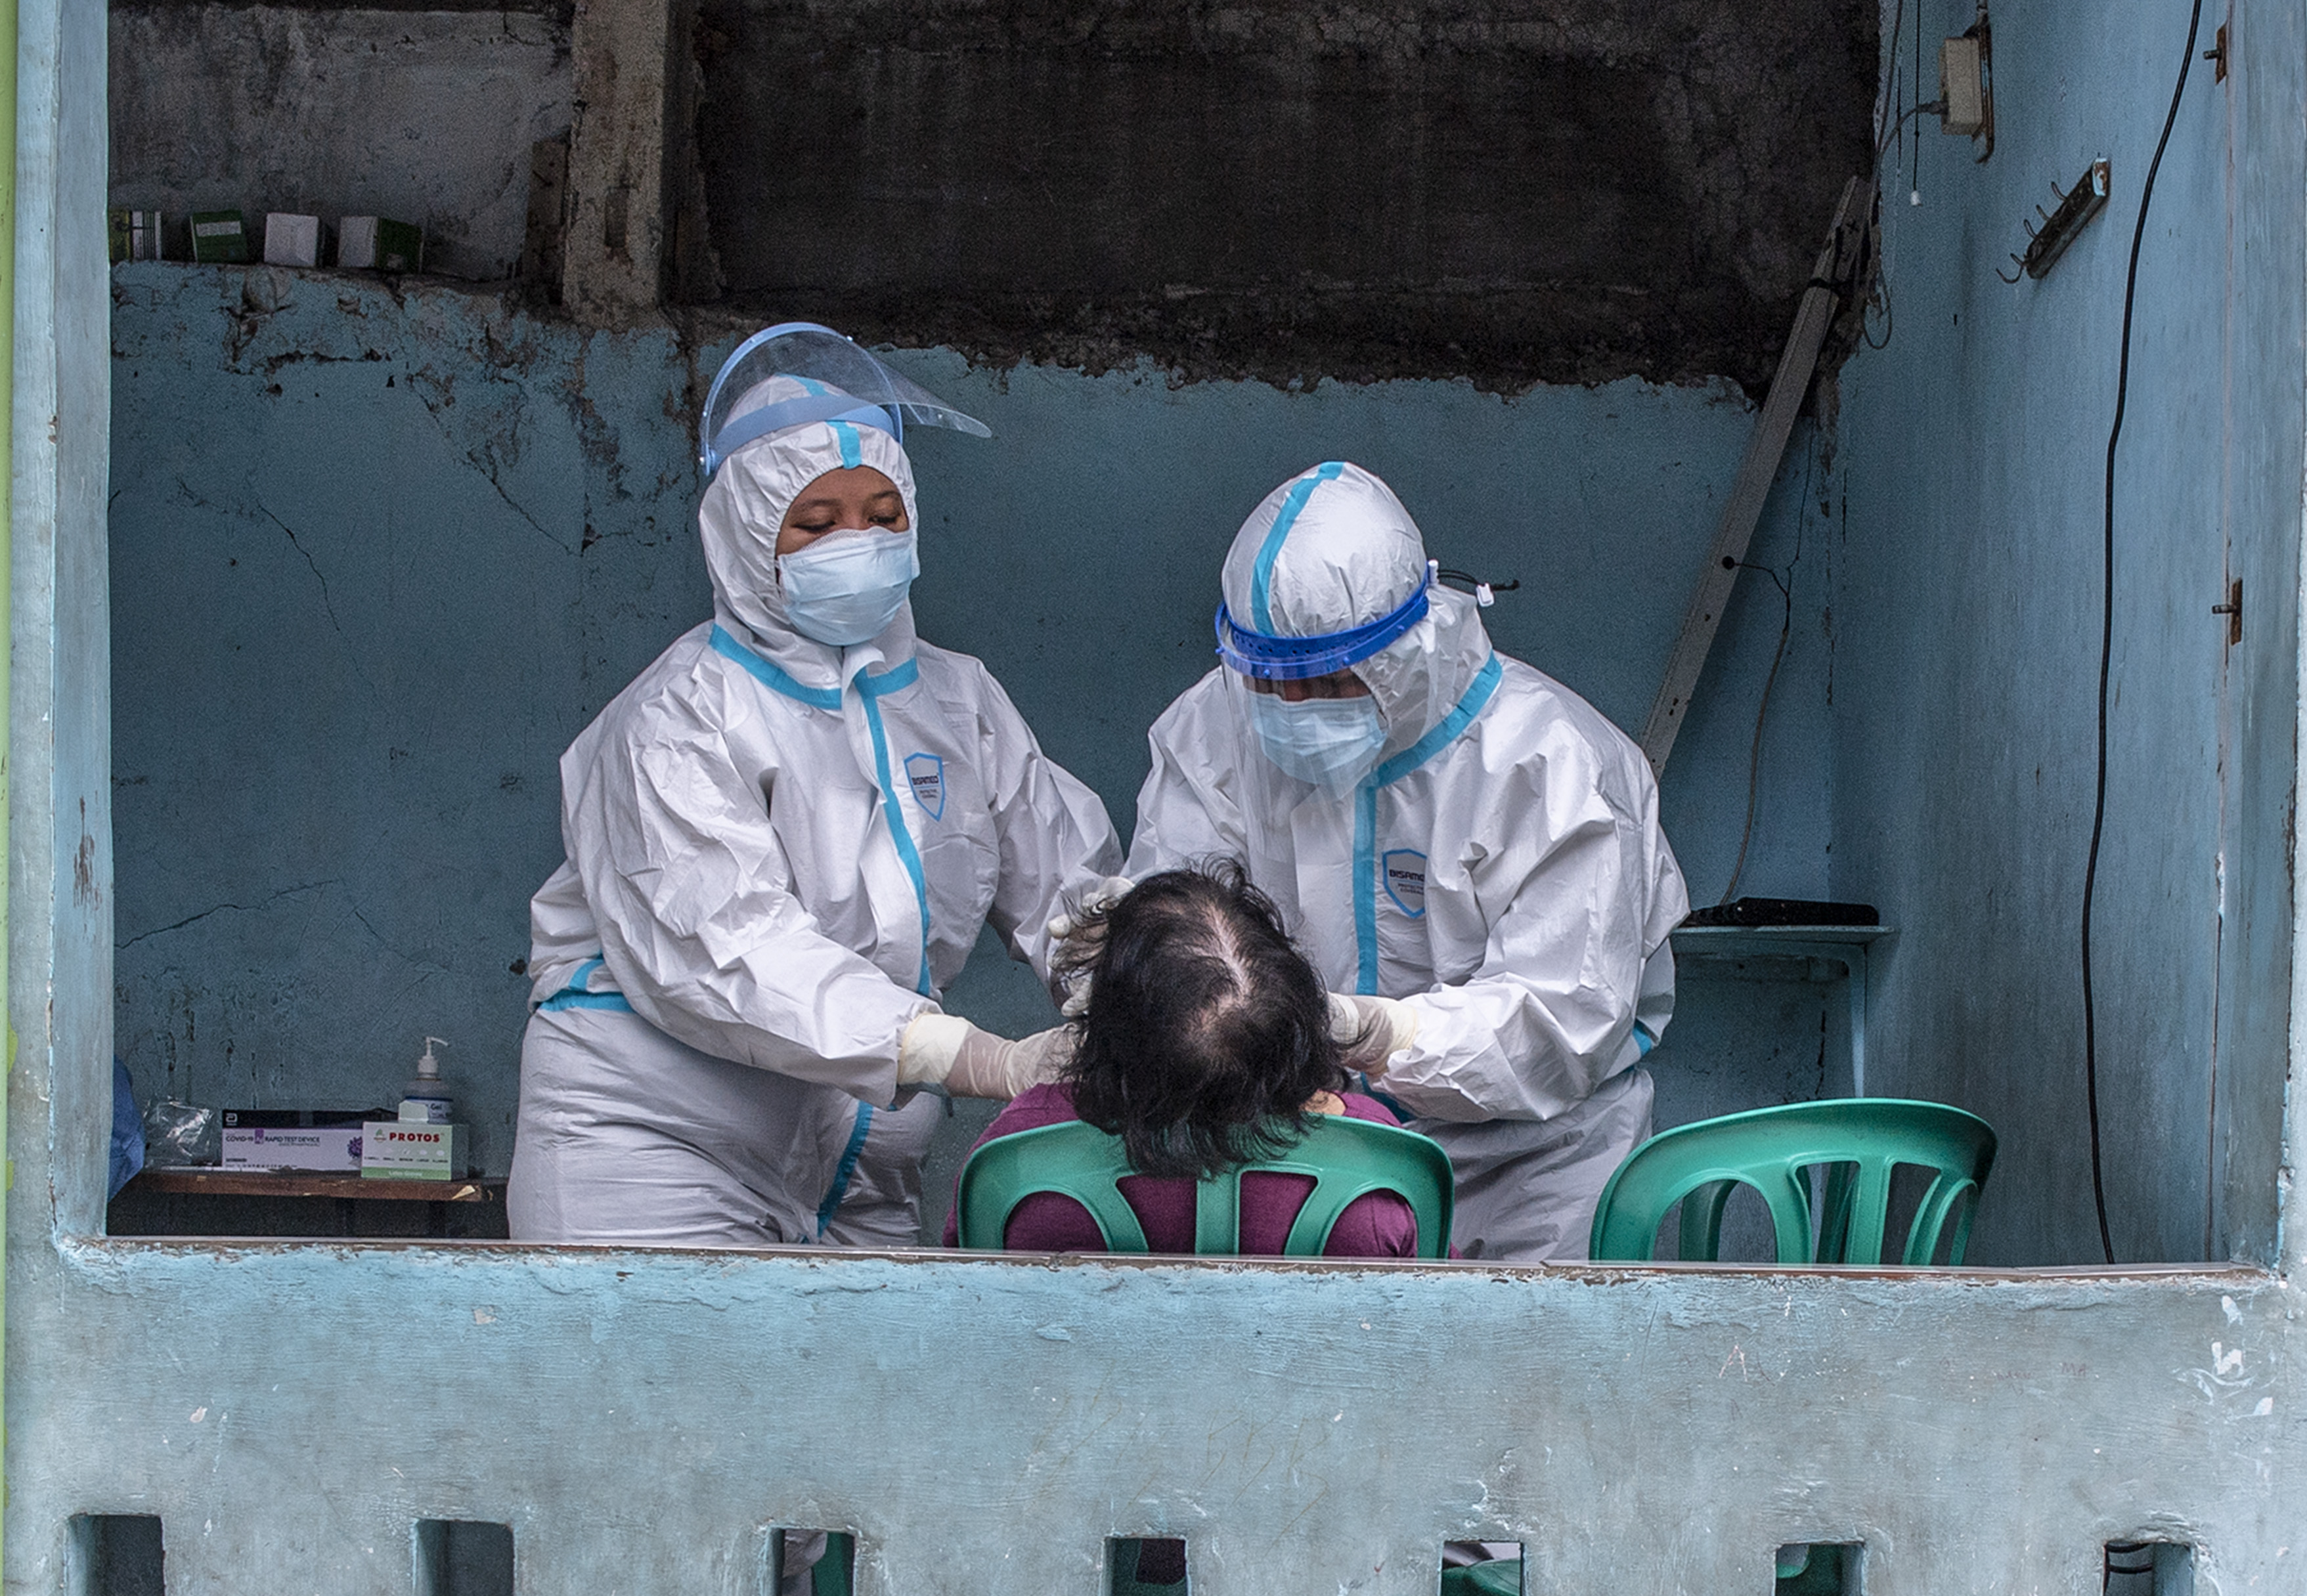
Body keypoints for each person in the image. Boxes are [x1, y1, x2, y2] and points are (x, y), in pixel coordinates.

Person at [510, 324, 1122, 1253]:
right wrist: (977, 1056)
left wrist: (1151, 994)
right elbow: (734, 952)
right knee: (649, 1393)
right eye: (815, 520)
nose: (857, 540)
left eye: (883, 513)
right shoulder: (676, 719)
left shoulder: (961, 704)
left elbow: (1071, 893)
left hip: (864, 1158)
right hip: (650, 1143)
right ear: (749, 537)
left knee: (856, 1398)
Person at [1125, 461, 1688, 1263]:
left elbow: (1559, 1024)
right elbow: (1172, 928)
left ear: (1405, 649)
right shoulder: (1211, 731)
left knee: (1522, 1383)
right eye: (1270, 681)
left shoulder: (1553, 766)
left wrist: (1371, 1031)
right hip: (1309, 1152)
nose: (1292, 710)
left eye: (1326, 682)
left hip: (1532, 1165)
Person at [949, 861, 1418, 1257]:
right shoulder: (1378, 1159)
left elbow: (953, 1292)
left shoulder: (1022, 1148)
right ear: (1298, 1013)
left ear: (1102, 1027)